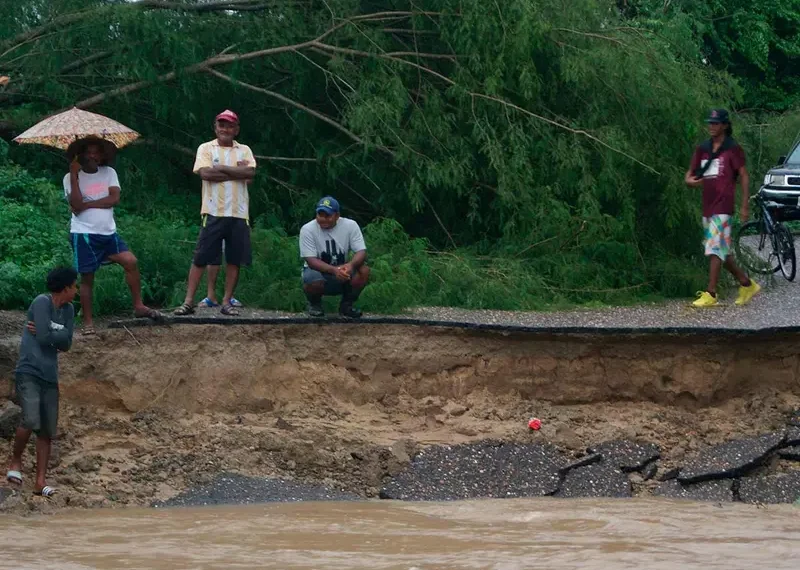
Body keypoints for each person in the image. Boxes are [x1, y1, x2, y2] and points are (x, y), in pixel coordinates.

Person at [63, 138, 164, 334]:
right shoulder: (69, 177)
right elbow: (75, 204)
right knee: (87, 278)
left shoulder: (109, 173)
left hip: (108, 233)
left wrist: (87, 204)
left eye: (96, 152)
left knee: (130, 261)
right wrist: (75, 175)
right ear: (81, 154)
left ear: (102, 155)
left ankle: (138, 306)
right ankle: (88, 323)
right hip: (84, 233)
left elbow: (114, 198)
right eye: (88, 152)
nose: (92, 156)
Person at [174, 110, 256, 316]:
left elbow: (250, 173)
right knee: (201, 257)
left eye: (229, 126)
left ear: (236, 129)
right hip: (213, 210)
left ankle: (227, 302)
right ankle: (188, 301)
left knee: (234, 259)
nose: (225, 129)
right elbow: (205, 173)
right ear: (215, 127)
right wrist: (235, 172)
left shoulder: (244, 149)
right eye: (222, 125)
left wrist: (221, 169)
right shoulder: (206, 148)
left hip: (239, 213)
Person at [6, 267, 77, 498]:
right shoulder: (41, 303)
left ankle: (40, 482)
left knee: (47, 430)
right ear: (65, 287)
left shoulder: (68, 309)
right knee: (30, 418)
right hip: (29, 370)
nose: (76, 290)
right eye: (74, 286)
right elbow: (50, 338)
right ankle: (15, 461)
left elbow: (66, 344)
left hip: (50, 375)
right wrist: (53, 335)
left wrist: (49, 333)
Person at [685, 109, 760, 307]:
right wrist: (690, 181)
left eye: (716, 123)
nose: (712, 126)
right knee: (720, 252)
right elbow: (690, 173)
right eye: (710, 123)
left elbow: (743, 176)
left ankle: (711, 293)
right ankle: (746, 283)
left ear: (725, 125)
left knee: (715, 247)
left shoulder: (733, 149)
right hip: (707, 205)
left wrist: (744, 205)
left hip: (723, 205)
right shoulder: (703, 148)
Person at [300, 196, 370, 318]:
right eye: (320, 215)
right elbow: (310, 260)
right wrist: (334, 270)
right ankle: (314, 304)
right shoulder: (307, 229)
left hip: (344, 270)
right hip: (319, 272)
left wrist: (351, 265)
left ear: (337, 216)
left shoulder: (350, 225)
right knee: (311, 279)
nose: (323, 219)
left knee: (364, 270)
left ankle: (346, 306)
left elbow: (361, 251)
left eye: (327, 216)